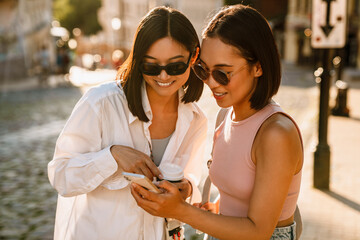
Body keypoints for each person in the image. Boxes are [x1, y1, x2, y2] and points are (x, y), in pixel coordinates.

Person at [131, 4, 303, 240]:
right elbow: (242, 189)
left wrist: (182, 211)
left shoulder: (276, 134)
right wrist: (215, 209)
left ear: (258, 67)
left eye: (222, 73)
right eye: (203, 70)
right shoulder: (226, 115)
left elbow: (259, 232)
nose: (211, 83)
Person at [47, 6, 207, 240]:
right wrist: (112, 156)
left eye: (175, 66)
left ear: (193, 57)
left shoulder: (195, 120)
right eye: (151, 66)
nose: (163, 77)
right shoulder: (101, 103)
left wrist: (188, 188)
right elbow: (61, 175)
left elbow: (191, 177)